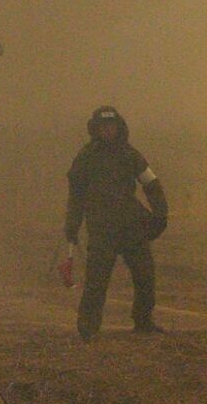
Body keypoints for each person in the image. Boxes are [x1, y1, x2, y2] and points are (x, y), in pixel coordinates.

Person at [64, 105, 169, 339]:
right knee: (96, 280)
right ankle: (88, 326)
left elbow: (152, 185)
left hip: (131, 226)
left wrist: (160, 214)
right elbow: (76, 195)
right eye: (103, 127)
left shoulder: (131, 155)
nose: (108, 131)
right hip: (101, 228)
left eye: (111, 127)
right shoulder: (85, 158)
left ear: (118, 128)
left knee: (145, 276)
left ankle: (143, 321)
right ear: (95, 130)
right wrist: (72, 224)